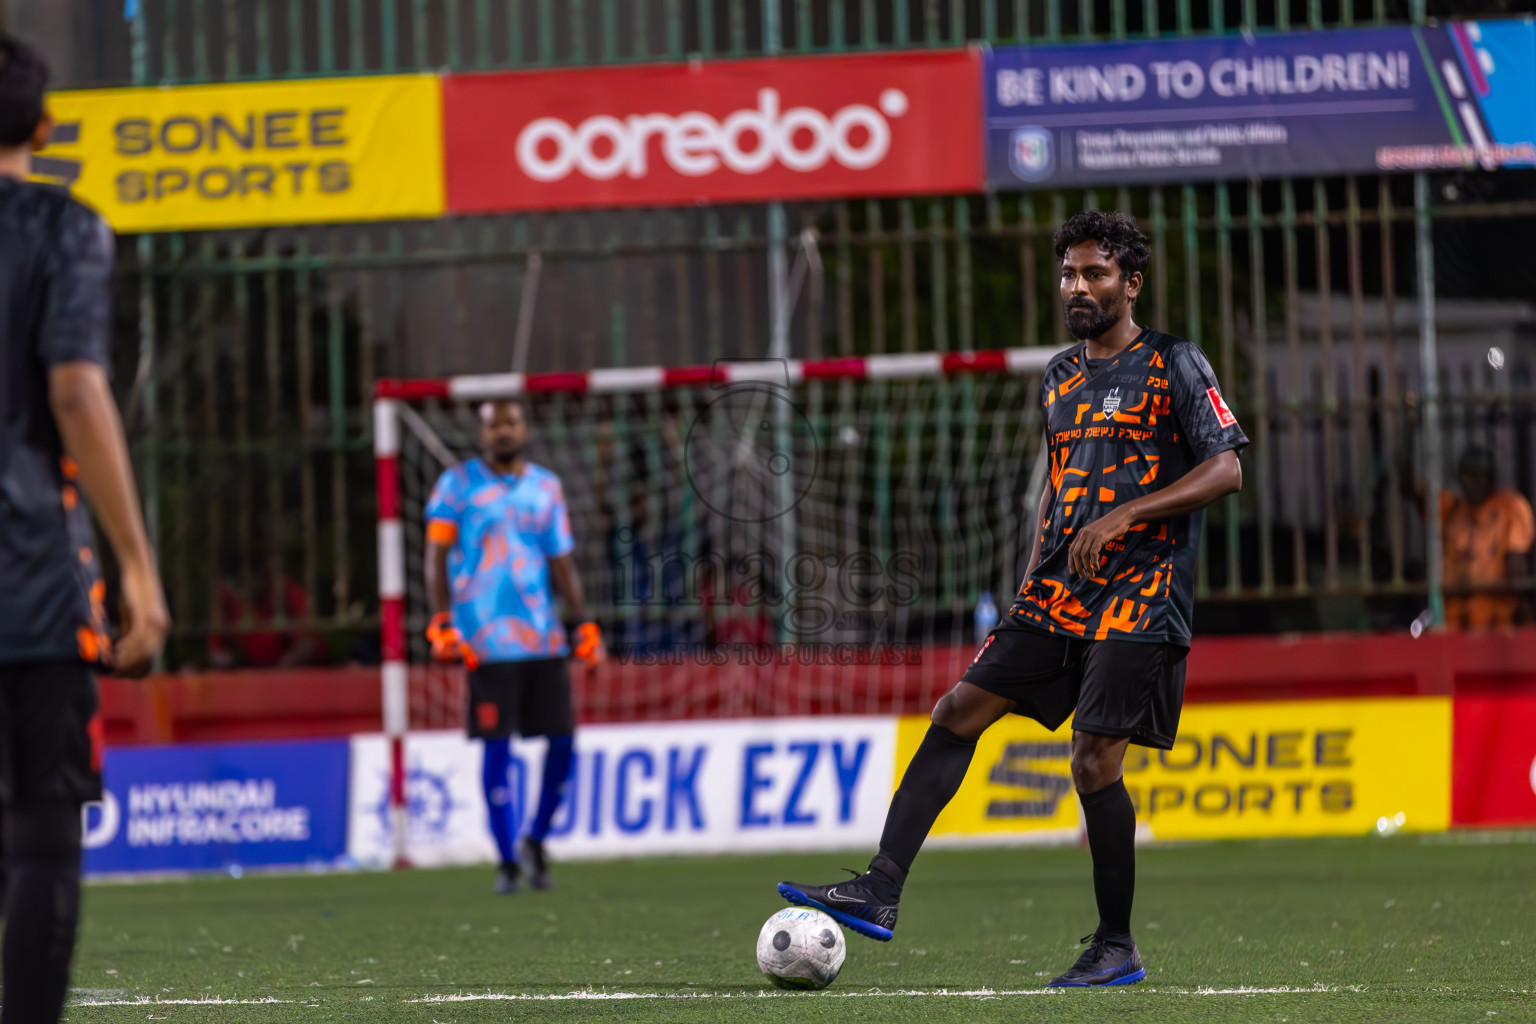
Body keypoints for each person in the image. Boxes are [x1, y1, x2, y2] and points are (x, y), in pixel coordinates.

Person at [777, 210, 1247, 988]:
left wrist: (1128, 513)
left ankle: (1116, 944)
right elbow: (1058, 485)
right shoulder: (1058, 374)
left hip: (1141, 589)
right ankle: (881, 888)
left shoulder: (1176, 363)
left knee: (1094, 761)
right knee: (956, 710)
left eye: (1096, 273)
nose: (1079, 286)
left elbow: (1227, 468)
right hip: (1058, 590)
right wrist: (1032, 571)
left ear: (1131, 284)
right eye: (1069, 273)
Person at [0, 33, 170, 1024]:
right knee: (40, 837)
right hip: (28, 586)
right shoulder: (63, 228)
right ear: (46, 124)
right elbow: (74, 388)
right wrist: (139, 571)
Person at [424, 399, 603, 893]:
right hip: (484, 642)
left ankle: (536, 840)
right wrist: (441, 620)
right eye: (493, 424)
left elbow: (561, 560)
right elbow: (435, 555)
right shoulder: (456, 486)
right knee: (497, 750)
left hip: (543, 637)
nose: (503, 431)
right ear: (481, 433)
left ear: (525, 428)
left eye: (512, 422)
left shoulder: (546, 487)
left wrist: (585, 624)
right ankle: (505, 861)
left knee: (563, 743)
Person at [1441, 445, 1533, 631]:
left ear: (1490, 479)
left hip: (1497, 624)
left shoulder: (1510, 508)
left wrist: (1522, 602)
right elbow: (1415, 492)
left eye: (1477, 476)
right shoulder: (1453, 508)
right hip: (1453, 625)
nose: (1470, 483)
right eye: (1465, 475)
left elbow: (1517, 564)